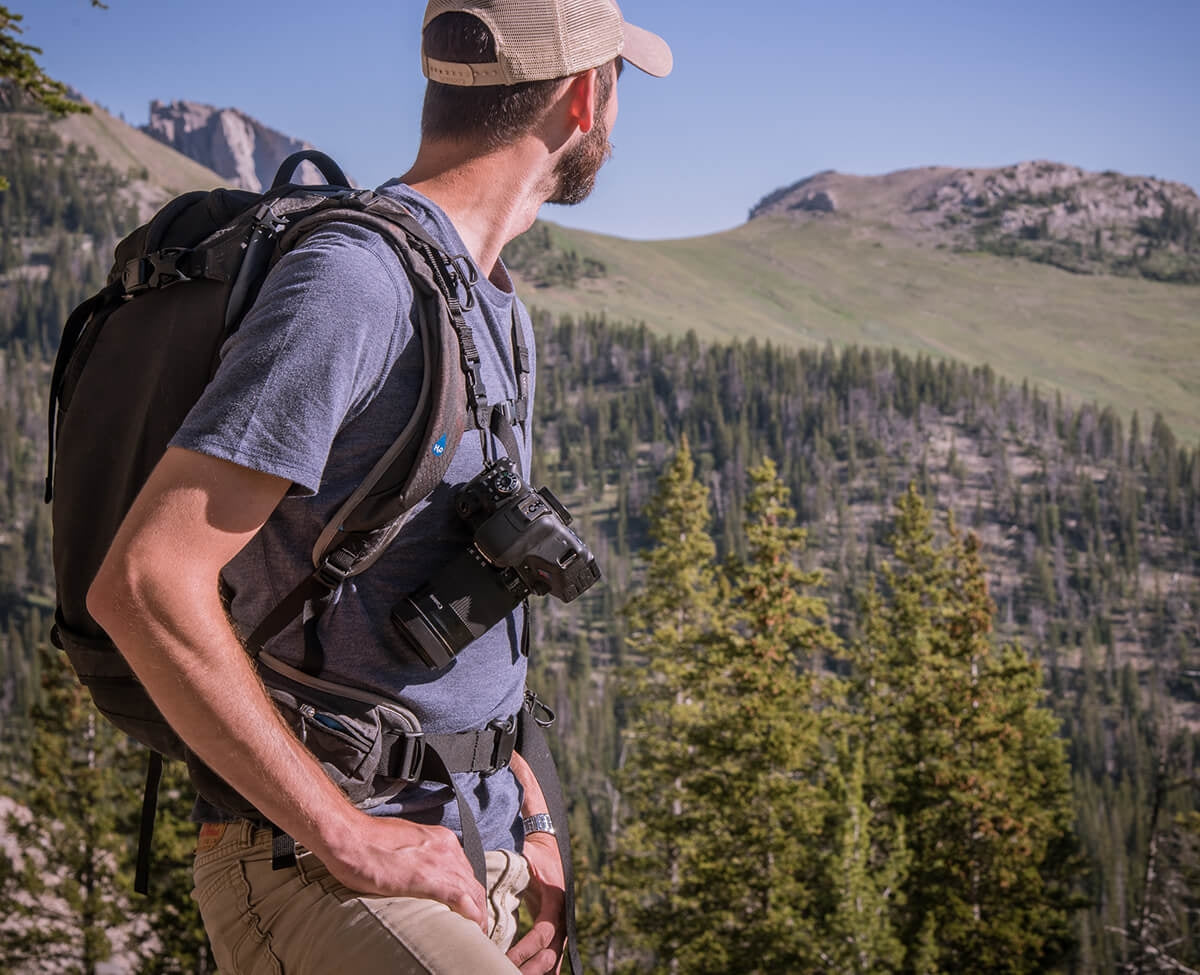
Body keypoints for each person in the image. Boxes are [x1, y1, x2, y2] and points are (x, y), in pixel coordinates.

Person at [85, 2, 672, 973]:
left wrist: (533, 823)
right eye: (617, 87)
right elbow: (147, 582)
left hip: (480, 851)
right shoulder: (357, 282)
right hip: (319, 865)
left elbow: (469, 610)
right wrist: (347, 835)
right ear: (583, 98)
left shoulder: (490, 302)